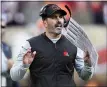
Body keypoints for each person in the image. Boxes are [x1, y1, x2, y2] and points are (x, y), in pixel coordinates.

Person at [10, 4, 94, 87]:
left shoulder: (73, 45)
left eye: (61, 17)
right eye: (54, 17)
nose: (59, 20)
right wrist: (24, 66)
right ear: (45, 23)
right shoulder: (30, 44)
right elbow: (14, 76)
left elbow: (85, 76)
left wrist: (88, 65)